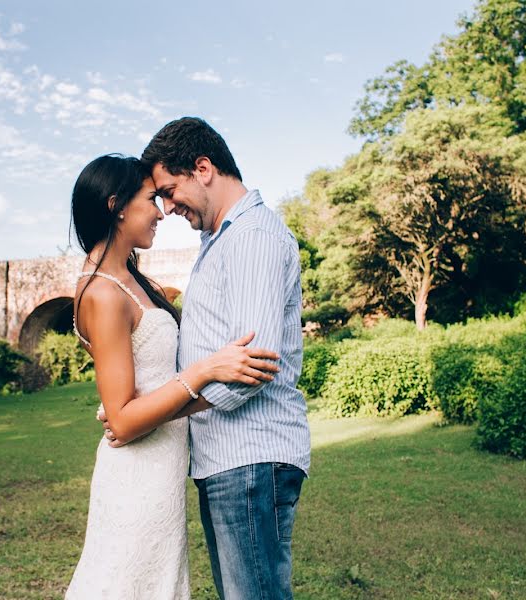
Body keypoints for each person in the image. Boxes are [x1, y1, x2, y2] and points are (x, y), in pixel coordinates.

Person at [106, 117, 312, 599]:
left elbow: (249, 370)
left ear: (203, 168)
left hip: (251, 459)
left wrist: (149, 414)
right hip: (228, 460)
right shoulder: (222, 240)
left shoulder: (252, 238)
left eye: (169, 190)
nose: (166, 206)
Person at [64, 154, 281, 599]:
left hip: (163, 468)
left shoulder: (132, 281)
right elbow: (123, 420)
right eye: (151, 199)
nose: (161, 211)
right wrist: (205, 370)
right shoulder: (103, 293)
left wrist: (217, 367)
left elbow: (159, 364)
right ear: (116, 206)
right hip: (137, 476)